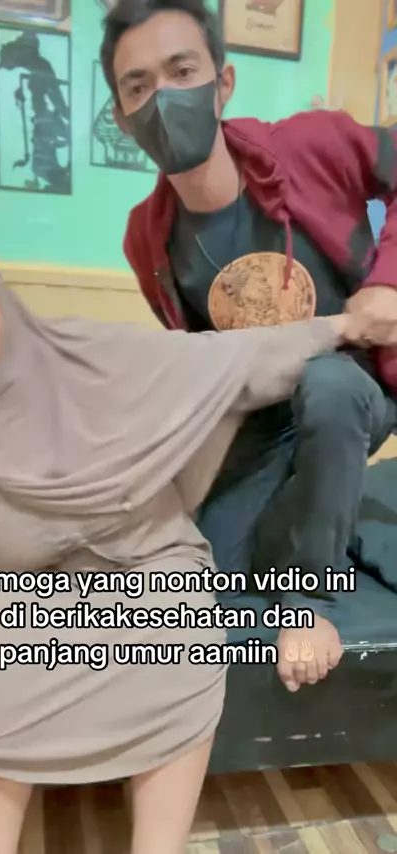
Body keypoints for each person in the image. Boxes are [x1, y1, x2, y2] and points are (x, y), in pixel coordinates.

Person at [0, 246, 363, 854]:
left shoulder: (101, 354)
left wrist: (344, 326)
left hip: (149, 565)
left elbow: (240, 357)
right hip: (6, 587)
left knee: (177, 627)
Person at [100, 0, 397, 693]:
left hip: (358, 385)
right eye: (139, 86)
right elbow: (209, 372)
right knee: (206, 579)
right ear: (121, 115)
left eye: (182, 72)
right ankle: (322, 518)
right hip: (269, 413)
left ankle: (313, 602)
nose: (163, 99)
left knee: (327, 384)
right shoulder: (147, 238)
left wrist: (387, 280)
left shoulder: (311, 145)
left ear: (223, 83)